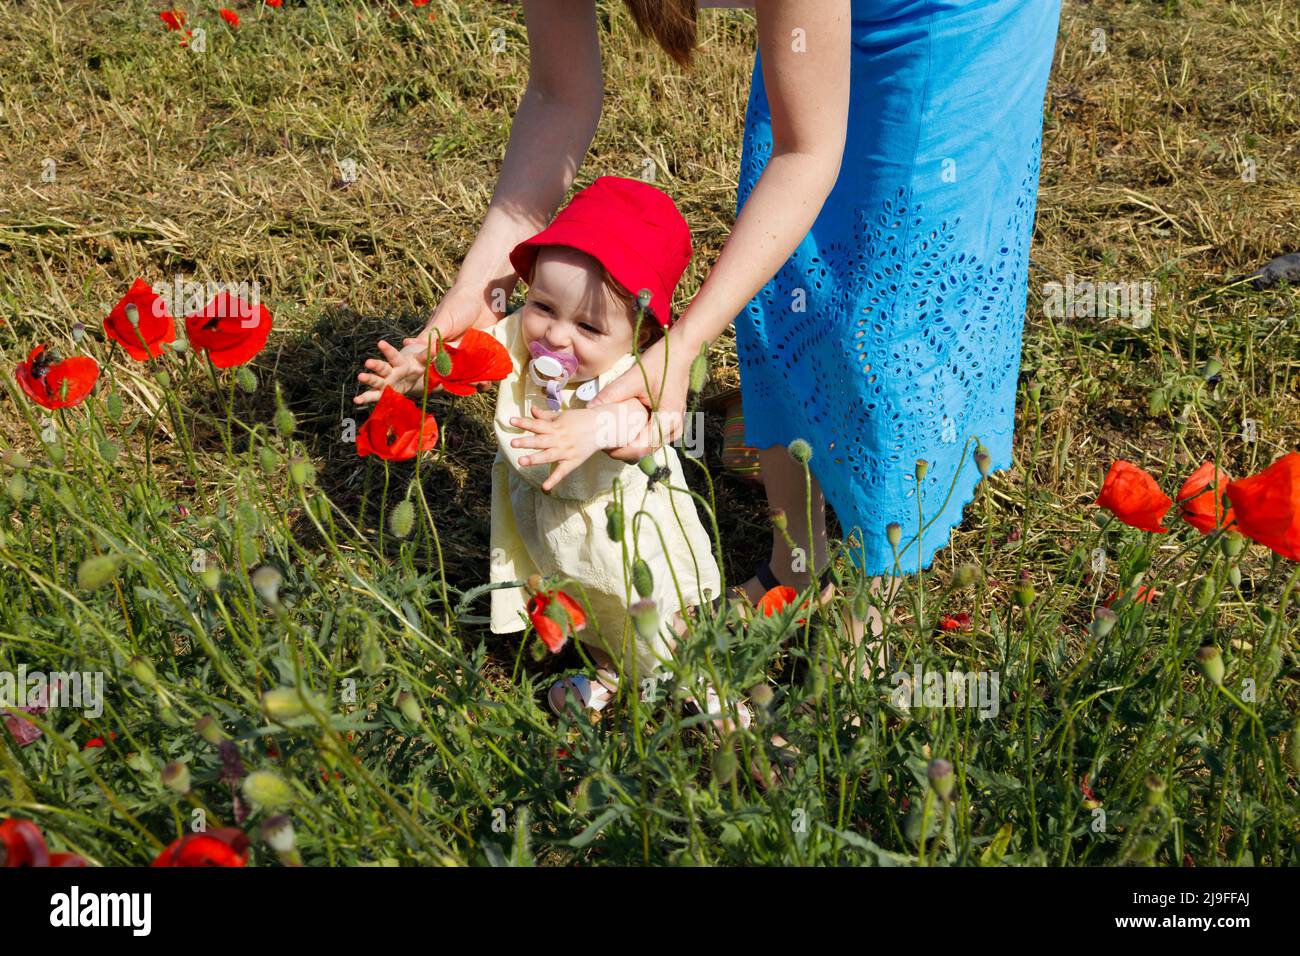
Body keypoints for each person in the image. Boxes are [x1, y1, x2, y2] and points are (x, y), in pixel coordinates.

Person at [355, 0, 1062, 673]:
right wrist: (467, 306)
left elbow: (809, 152)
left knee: (893, 305)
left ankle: (866, 614)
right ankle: (798, 561)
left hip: (948, 17)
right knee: (788, 275)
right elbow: (557, 99)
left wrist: (682, 344)